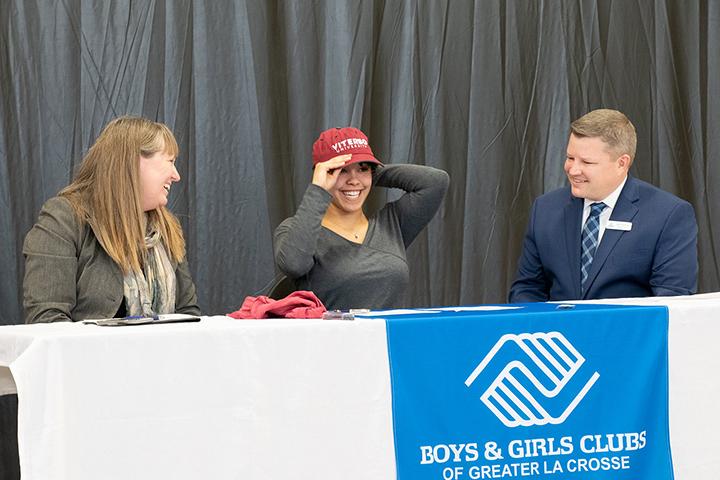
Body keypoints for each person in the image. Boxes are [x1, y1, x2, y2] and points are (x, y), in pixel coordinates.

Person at [23, 116, 200, 323]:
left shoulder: (167, 228)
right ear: (132, 163)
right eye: (170, 161)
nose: (176, 175)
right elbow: (46, 319)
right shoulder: (63, 219)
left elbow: (188, 314)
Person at [509, 109, 698, 302]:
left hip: (627, 331)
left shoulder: (668, 215)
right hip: (559, 332)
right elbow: (528, 288)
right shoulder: (545, 209)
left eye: (587, 162)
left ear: (621, 164)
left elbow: (671, 300)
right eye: (570, 158)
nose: (573, 170)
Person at [274, 126, 449, 310]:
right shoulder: (296, 230)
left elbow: (435, 182)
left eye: (362, 169)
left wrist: (372, 174)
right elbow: (294, 264)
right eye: (341, 171)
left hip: (386, 338)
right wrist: (319, 189)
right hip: (329, 339)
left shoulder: (392, 226)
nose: (354, 180)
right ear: (323, 174)